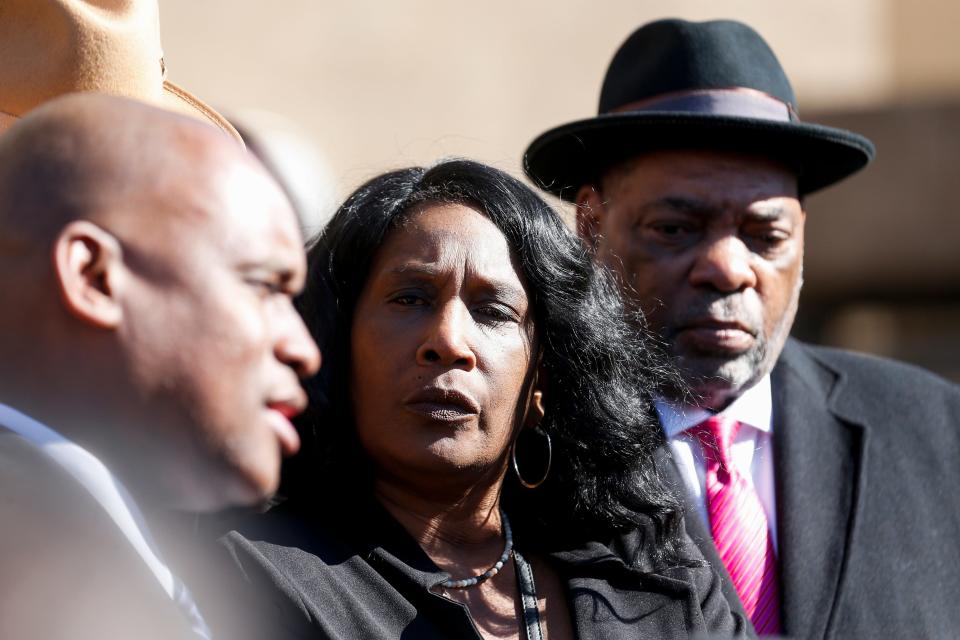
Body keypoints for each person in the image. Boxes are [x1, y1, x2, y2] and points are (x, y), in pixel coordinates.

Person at [523, 17, 960, 640]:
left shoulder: (936, 432)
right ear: (592, 228)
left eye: (766, 236)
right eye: (675, 229)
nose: (728, 268)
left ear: (803, 236)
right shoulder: (527, 452)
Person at [218, 159, 750, 639]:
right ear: (337, 346)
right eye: (410, 299)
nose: (448, 341)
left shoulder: (651, 562)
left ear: (542, 377)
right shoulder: (250, 572)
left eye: (492, 310)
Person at [0, 93, 320, 639]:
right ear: (95, 276)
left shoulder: (102, 540)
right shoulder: (30, 565)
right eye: (265, 285)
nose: (304, 349)